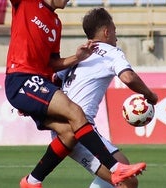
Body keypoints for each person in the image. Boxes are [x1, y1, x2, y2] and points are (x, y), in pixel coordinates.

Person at [5, 0, 146, 187]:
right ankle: (114, 168)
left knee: (68, 133)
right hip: (21, 78)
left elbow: (53, 63)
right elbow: (128, 77)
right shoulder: (26, 3)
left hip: (38, 84)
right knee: (75, 112)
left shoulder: (55, 23)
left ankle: (32, 181)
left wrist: (77, 58)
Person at [52, 7, 158, 188]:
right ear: (107, 32)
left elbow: (54, 79)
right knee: (127, 181)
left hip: (62, 126)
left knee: (121, 173)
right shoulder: (111, 52)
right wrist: (150, 95)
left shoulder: (79, 55)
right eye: (115, 31)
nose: (116, 37)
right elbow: (128, 77)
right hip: (78, 131)